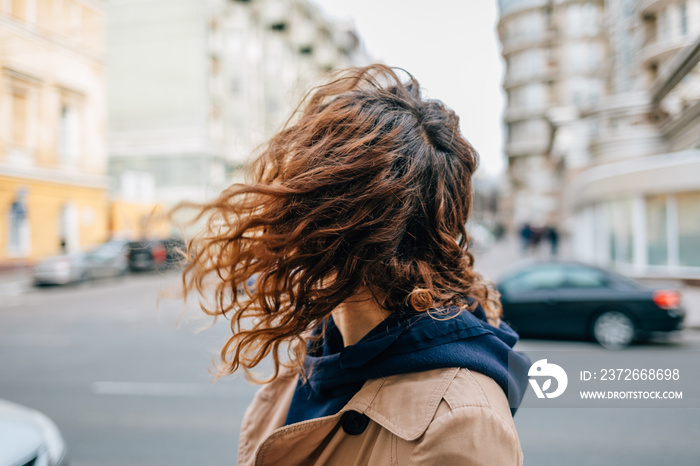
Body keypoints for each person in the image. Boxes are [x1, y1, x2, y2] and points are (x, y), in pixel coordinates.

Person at [181, 65, 530, 466]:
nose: (279, 220)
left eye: (297, 198)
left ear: (338, 228)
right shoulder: (316, 350)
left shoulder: (464, 422)